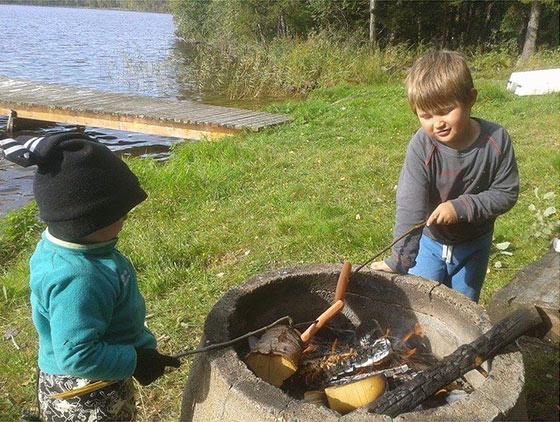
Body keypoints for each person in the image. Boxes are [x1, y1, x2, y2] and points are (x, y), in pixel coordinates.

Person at [0, 131, 180, 421]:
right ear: (86, 220)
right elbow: (77, 356)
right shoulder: (79, 279)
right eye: (118, 214)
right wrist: (135, 362)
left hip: (105, 372)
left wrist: (140, 351)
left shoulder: (73, 249)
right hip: (86, 392)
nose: (124, 219)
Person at [371, 50, 519, 302]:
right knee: (422, 304)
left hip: (475, 244)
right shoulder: (422, 145)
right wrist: (399, 259)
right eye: (426, 116)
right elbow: (410, 204)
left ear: (471, 99)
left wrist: (461, 207)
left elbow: (506, 192)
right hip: (429, 244)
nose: (437, 123)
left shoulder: (496, 140)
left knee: (463, 305)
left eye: (446, 111)